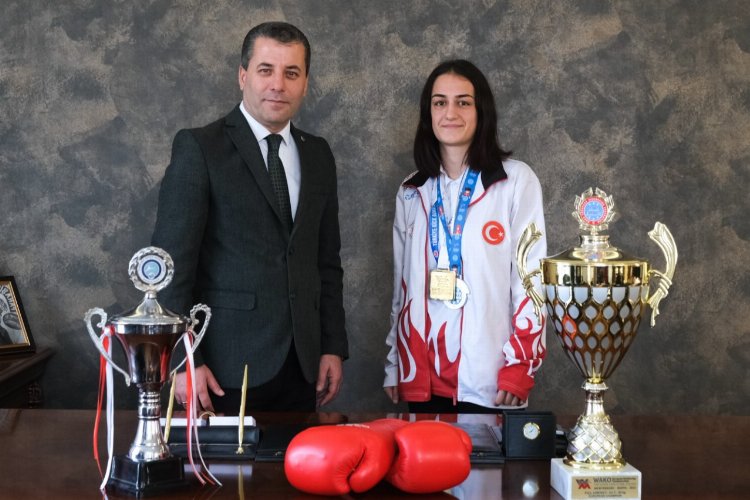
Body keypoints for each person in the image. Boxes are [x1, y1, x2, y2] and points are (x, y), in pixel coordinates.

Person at [152, 21, 348, 413]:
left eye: (291, 73)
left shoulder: (318, 154)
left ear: (305, 83)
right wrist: (184, 359)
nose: (278, 84)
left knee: (299, 456)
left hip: (303, 367)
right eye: (265, 70)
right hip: (222, 368)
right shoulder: (200, 148)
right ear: (243, 76)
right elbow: (170, 268)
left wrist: (332, 346)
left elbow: (326, 263)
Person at [383, 59, 547, 413]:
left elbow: (531, 281)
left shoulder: (515, 182)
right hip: (421, 377)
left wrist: (521, 365)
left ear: (481, 111)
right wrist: (396, 362)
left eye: (463, 102)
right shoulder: (412, 191)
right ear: (428, 113)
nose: (450, 113)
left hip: (491, 379)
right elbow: (401, 288)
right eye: (440, 102)